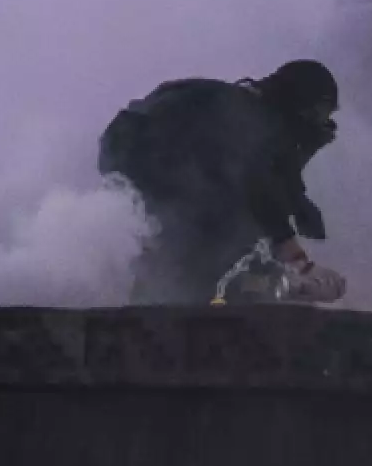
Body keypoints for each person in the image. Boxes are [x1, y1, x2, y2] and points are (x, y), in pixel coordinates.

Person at [99, 58, 346, 306]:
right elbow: (257, 186)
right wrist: (298, 263)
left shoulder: (237, 111)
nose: (322, 124)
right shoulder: (253, 119)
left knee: (206, 254)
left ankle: (259, 286)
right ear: (300, 106)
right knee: (210, 251)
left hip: (139, 166)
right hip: (159, 167)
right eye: (320, 113)